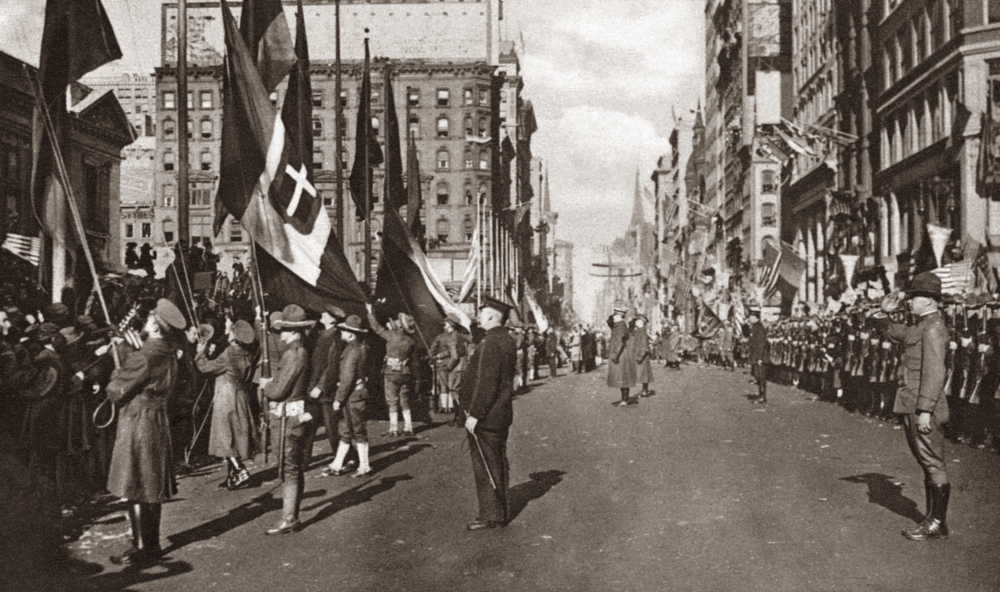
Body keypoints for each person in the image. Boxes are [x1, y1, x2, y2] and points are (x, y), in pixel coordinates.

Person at [106, 299, 187, 566]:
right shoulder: (169, 351)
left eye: (150, 318)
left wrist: (119, 364)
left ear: (154, 325)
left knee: (135, 483)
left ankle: (142, 548)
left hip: (138, 420)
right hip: (158, 420)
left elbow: (116, 392)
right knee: (151, 483)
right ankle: (151, 543)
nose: (146, 321)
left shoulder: (144, 355)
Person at [875, 272, 951, 541]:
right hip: (913, 403)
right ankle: (932, 520)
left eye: (914, 297)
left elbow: (935, 372)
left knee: (932, 462)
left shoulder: (933, 328)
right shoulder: (922, 326)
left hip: (923, 406)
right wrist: (884, 313)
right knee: (926, 462)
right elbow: (895, 333)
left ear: (929, 300)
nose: (909, 302)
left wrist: (926, 410)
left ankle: (937, 523)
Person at [459, 296, 517, 531]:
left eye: (482, 313)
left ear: (492, 315)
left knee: (485, 466)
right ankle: (500, 509)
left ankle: (492, 514)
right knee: (497, 461)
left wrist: (475, 414)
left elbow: (486, 382)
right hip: (501, 412)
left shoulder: (491, 343)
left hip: (487, 416)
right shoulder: (506, 340)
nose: (479, 316)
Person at [259, 304, 316, 535]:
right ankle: (291, 515)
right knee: (292, 467)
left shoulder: (293, 354)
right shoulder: (298, 351)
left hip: (287, 418)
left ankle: (289, 518)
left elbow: (278, 391)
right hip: (292, 415)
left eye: (283, 329)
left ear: (293, 332)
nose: (280, 332)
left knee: (289, 468)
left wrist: (267, 385)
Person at [195, 318, 256, 490]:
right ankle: (232, 475)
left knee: (224, 436)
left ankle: (240, 470)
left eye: (230, 330)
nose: (227, 332)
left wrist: (201, 353)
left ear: (234, 336)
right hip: (241, 396)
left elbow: (206, 368)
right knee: (236, 435)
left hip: (226, 397)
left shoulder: (229, 353)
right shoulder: (247, 354)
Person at [325, 314, 372, 478]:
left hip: (352, 396)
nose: (341, 332)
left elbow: (347, 377)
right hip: (357, 393)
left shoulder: (351, 352)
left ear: (351, 334)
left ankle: (365, 465)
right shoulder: (362, 347)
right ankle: (337, 463)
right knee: (346, 430)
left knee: (357, 431)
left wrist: (338, 399)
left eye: (344, 330)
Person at [367, 305, 417, 437]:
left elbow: (376, 328)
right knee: (404, 400)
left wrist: (370, 312)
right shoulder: (410, 341)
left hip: (391, 373)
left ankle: (393, 428)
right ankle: (408, 427)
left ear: (400, 325)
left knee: (392, 401)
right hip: (405, 372)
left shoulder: (391, 336)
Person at [310, 304, 349, 471]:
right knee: (312, 424)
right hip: (316, 386)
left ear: (332, 320)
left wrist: (321, 386)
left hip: (325, 390)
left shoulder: (334, 337)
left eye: (326, 314)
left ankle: (345, 458)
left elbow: (332, 366)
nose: (322, 315)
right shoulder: (324, 335)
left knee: (332, 427)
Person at [430, 314, 466, 415]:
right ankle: (457, 415)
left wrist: (447, 367)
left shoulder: (452, 338)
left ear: (450, 324)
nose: (444, 324)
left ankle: (459, 416)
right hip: (461, 366)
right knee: (454, 390)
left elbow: (454, 356)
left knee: (453, 390)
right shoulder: (458, 335)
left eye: (446, 323)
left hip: (456, 367)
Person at [606, 304, 637, 406]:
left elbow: (620, 342)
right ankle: (624, 399)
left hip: (620, 355)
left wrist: (616, 356)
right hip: (621, 354)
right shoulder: (619, 325)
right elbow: (609, 322)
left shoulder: (620, 326)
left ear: (618, 316)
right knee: (623, 377)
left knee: (623, 378)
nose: (613, 317)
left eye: (615, 315)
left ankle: (625, 399)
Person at [747, 309, 768, 404]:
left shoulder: (759, 328)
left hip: (760, 356)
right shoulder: (755, 327)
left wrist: (760, 358)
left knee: (761, 376)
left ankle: (762, 397)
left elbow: (761, 344)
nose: (749, 318)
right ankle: (761, 395)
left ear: (756, 317)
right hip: (755, 355)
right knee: (757, 375)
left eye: (751, 316)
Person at [630, 314, 655, 397]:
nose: (635, 322)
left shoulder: (642, 332)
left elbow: (644, 346)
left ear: (640, 322)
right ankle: (644, 390)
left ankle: (645, 391)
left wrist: (640, 356)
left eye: (637, 320)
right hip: (639, 355)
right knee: (643, 374)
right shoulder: (639, 331)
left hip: (641, 356)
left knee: (644, 374)